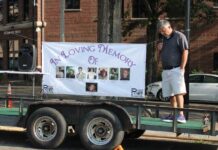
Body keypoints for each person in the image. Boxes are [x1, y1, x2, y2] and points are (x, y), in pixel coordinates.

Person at [157, 20, 189, 123]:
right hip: (166, 70)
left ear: (169, 27)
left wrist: (182, 67)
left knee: (178, 92)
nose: (162, 33)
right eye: (161, 31)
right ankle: (173, 114)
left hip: (176, 68)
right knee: (170, 94)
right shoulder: (164, 39)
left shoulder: (179, 36)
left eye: (163, 30)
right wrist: (159, 49)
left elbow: (185, 51)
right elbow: (161, 55)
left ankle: (181, 115)